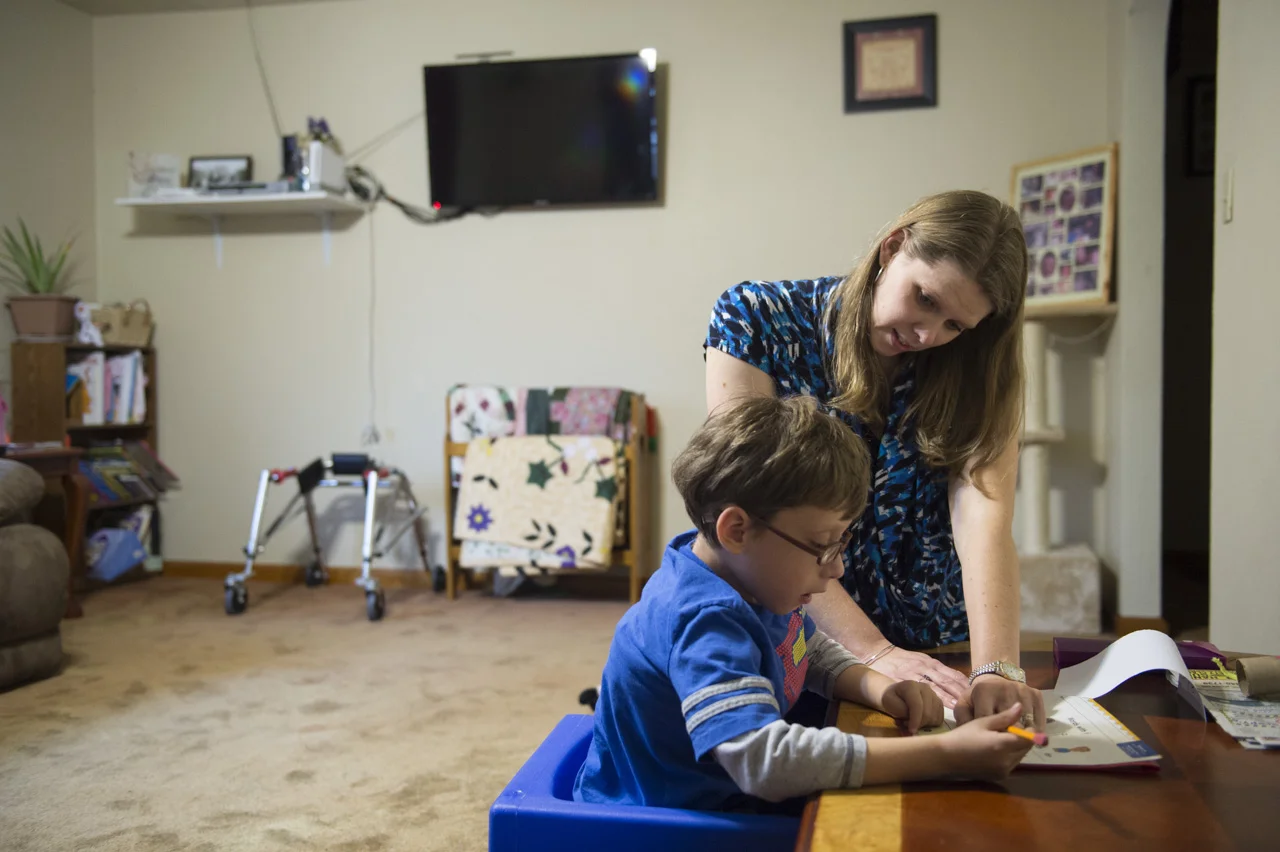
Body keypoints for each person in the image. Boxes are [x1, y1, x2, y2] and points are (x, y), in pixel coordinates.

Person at [572, 396, 1035, 811]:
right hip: (664, 820)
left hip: (718, 798)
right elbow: (763, 763)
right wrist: (944, 756)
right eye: (822, 546)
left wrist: (877, 687)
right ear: (737, 530)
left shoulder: (746, 577)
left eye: (841, 544)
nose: (835, 570)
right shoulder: (705, 620)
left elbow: (803, 647)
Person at [704, 189, 1045, 729]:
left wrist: (996, 667)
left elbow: (984, 519)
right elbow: (749, 506)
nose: (928, 335)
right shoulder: (756, 320)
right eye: (926, 299)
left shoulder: (978, 367)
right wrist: (875, 651)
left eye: (956, 325)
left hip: (936, 645)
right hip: (797, 637)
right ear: (892, 248)